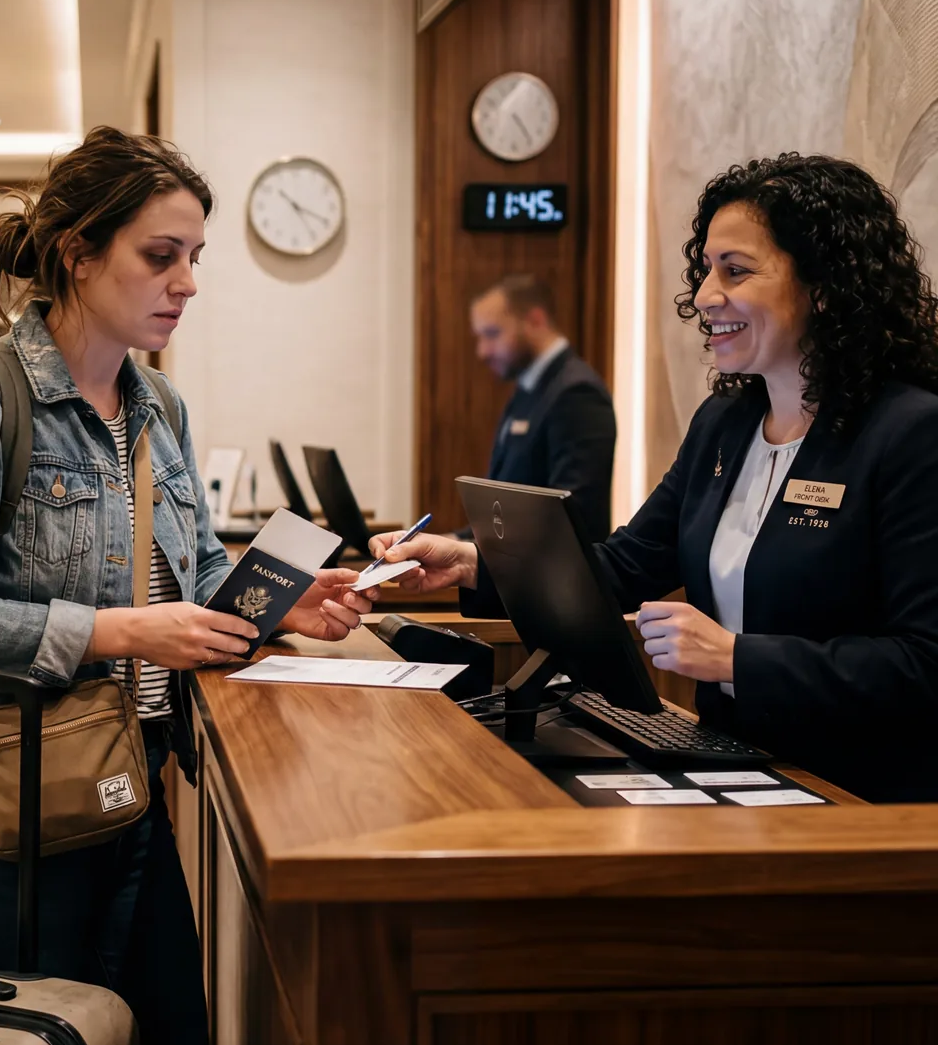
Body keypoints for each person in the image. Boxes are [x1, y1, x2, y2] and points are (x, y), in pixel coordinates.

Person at [0, 126, 377, 1045]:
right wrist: (119, 630)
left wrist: (289, 604)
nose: (187, 283)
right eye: (161, 256)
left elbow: (195, 571)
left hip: (126, 799)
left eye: (194, 256)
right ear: (76, 250)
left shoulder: (157, 406)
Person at [375, 153, 938, 803]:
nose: (703, 297)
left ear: (826, 285)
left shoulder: (909, 434)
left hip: (863, 801)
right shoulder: (724, 425)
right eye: (705, 272)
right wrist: (473, 561)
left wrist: (735, 658)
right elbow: (621, 567)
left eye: (736, 271)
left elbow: (924, 662)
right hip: (739, 769)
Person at [465, 272, 617, 544]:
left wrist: (470, 551)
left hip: (555, 581)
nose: (483, 351)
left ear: (535, 320)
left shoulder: (577, 393)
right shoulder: (529, 388)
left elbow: (569, 514)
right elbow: (505, 507)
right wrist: (454, 540)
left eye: (492, 334)